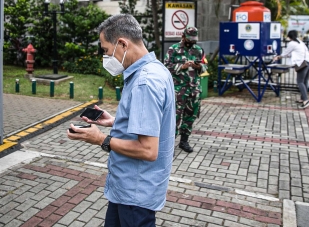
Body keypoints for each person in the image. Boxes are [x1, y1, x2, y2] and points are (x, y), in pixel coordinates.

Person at [67, 14, 175, 227]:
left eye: (106, 51)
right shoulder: (156, 70)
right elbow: (152, 124)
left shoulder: (145, 82)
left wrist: (101, 140)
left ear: (123, 44)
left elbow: (147, 150)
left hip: (135, 193)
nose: (105, 57)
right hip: (128, 190)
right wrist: (116, 122)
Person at [163, 26, 206, 153]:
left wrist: (198, 66)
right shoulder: (174, 49)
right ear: (183, 36)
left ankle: (184, 141)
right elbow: (166, 67)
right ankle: (169, 144)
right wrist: (182, 66)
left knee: (190, 117)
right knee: (174, 118)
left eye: (194, 39)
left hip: (194, 90)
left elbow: (204, 67)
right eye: (190, 39)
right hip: (178, 90)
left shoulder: (198, 50)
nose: (192, 41)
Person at [273, 30, 309, 108]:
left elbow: (285, 53)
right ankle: (303, 98)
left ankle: (306, 100)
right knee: (304, 81)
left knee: (300, 81)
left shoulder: (292, 43)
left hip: (303, 63)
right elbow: (291, 54)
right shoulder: (300, 42)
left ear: (289, 36)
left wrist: (278, 57)